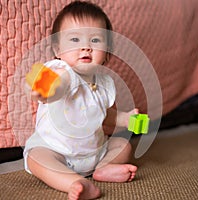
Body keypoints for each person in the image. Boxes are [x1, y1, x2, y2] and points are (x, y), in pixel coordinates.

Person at [24, 1, 138, 199]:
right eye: (75, 39)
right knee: (37, 158)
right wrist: (47, 91)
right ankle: (74, 182)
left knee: (123, 146)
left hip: (94, 153)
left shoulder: (105, 83)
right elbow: (58, 84)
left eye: (95, 40)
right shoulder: (63, 71)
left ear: (107, 52)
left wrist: (125, 119)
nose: (86, 47)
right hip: (56, 151)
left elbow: (105, 115)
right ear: (58, 49)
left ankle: (104, 168)